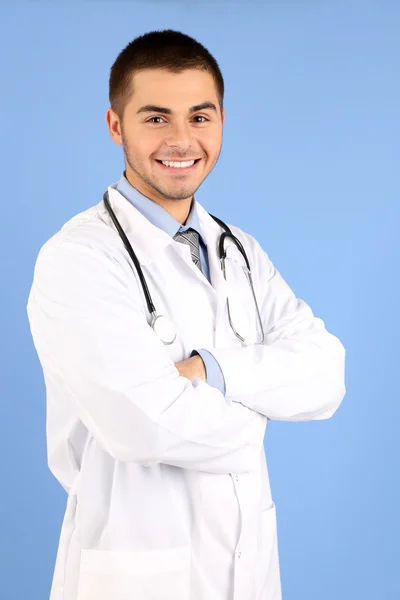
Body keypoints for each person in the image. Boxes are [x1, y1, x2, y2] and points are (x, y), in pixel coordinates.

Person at [27, 29, 346, 600]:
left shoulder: (241, 251)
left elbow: (326, 374)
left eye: (200, 117)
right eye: (156, 118)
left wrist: (210, 371)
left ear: (222, 120)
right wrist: (265, 410)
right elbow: (141, 423)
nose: (181, 139)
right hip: (136, 572)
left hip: (248, 571)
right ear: (115, 125)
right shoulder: (78, 259)